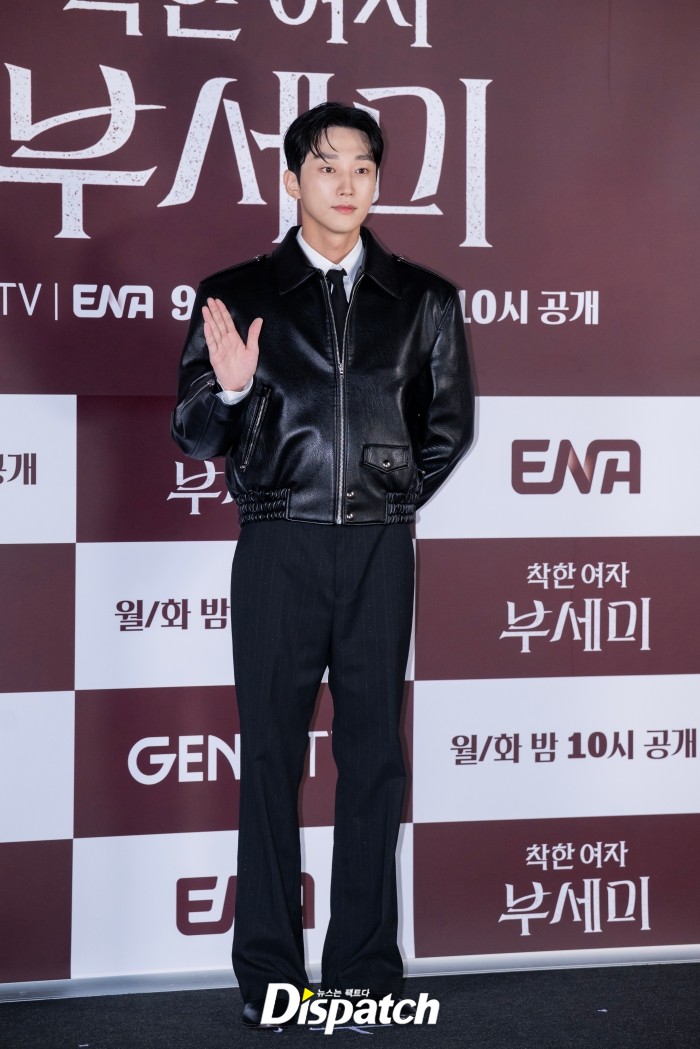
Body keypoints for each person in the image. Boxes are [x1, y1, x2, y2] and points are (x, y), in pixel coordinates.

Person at [172, 101, 474, 1028]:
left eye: (363, 169)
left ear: (379, 181)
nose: (347, 185)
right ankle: (270, 972)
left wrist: (385, 494)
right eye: (327, 167)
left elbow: (446, 429)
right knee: (268, 755)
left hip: (380, 548)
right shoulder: (236, 294)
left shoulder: (423, 301)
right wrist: (230, 392)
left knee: (374, 758)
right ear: (291, 179)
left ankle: (364, 970)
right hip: (278, 540)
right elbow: (193, 433)